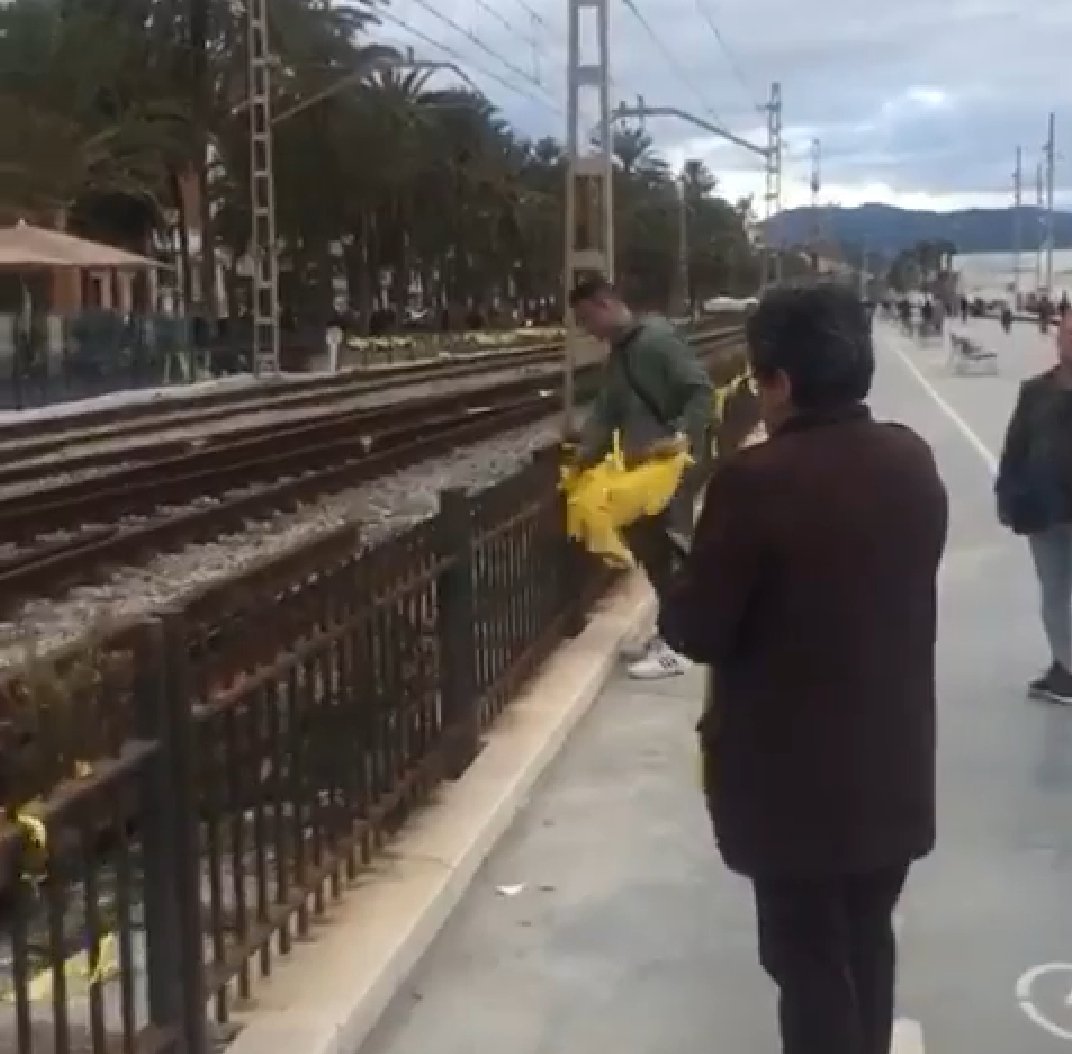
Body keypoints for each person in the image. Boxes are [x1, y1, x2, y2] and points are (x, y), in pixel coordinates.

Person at [659, 284, 948, 1054]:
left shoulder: (754, 484)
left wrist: (673, 581)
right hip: (891, 767)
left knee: (807, 960)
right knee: (865, 943)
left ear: (779, 382)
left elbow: (700, 628)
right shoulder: (912, 461)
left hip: (792, 787)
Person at [569, 276, 713, 680]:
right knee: (654, 555)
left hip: (668, 471)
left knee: (671, 553)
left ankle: (680, 645)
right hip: (642, 477)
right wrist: (583, 458)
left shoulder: (656, 341)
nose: (587, 330)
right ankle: (671, 632)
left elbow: (699, 390)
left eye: (586, 319)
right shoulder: (621, 354)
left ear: (604, 304)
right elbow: (607, 411)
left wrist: (680, 438)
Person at [995, 310, 1072, 703]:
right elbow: (1016, 448)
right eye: (1066, 331)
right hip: (1043, 513)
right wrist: (1007, 496)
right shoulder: (1036, 392)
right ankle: (1065, 667)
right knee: (1055, 592)